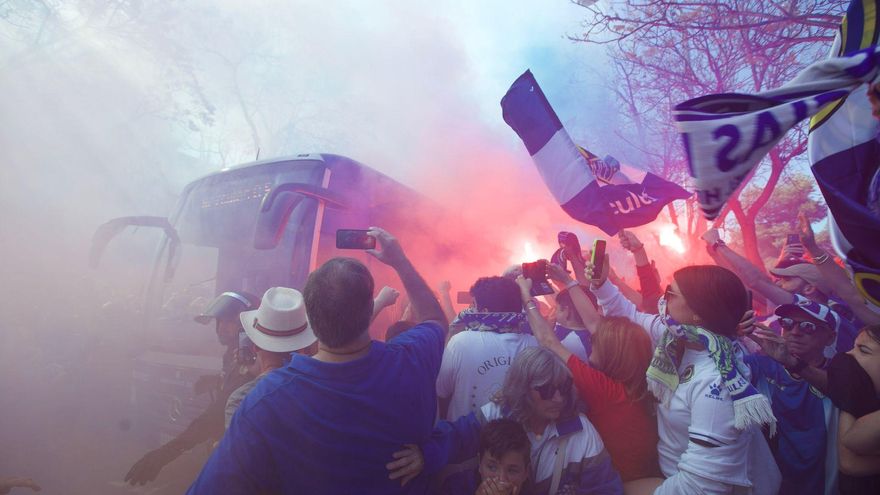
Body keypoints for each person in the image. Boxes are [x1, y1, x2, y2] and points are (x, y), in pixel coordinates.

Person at [186, 227, 448, 494]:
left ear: (308, 318)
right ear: (371, 309)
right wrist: (400, 262)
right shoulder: (411, 361)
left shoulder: (266, 401)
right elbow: (435, 319)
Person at [589, 261, 780, 494]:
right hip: (676, 478)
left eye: (671, 293)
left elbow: (703, 487)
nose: (663, 297)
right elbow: (631, 316)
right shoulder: (682, 339)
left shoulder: (716, 381)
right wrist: (601, 284)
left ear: (697, 313)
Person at [516, 267, 662, 490]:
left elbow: (548, 341)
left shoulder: (607, 392)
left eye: (597, 341)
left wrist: (526, 296)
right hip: (644, 473)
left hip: (623, 485)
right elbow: (594, 323)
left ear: (613, 354)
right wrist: (567, 280)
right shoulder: (637, 383)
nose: (591, 337)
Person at [427, 346, 624, 494]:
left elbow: (606, 489)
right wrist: (424, 455)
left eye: (563, 388)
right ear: (523, 388)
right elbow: (456, 438)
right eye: (546, 390)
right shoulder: (498, 413)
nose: (558, 398)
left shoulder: (582, 432)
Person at [124, 290, 259, 486]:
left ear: (249, 323)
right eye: (219, 321)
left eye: (229, 321)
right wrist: (217, 380)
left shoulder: (252, 357)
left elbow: (215, 415)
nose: (222, 328)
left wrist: (166, 453)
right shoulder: (232, 354)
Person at [702, 227, 859, 354]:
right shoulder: (784, 309)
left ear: (809, 288)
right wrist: (716, 255)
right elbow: (740, 285)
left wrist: (718, 244)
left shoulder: (826, 316)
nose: (778, 282)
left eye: (787, 279)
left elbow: (756, 280)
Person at [744, 300, 842, 495]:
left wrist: (791, 362)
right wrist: (730, 335)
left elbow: (844, 389)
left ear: (830, 338)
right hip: (772, 485)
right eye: (787, 323)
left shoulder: (842, 372)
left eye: (808, 326)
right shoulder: (761, 366)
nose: (795, 332)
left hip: (823, 486)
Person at [436, 276, 538, 421]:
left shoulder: (461, 342)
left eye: (473, 304)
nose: (470, 308)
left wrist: (450, 336)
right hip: (518, 441)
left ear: (483, 311)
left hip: (467, 439)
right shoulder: (535, 345)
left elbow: (441, 390)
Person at [223, 286, 318, 428]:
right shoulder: (320, 389)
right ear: (304, 345)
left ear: (255, 346)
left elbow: (237, 449)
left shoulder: (241, 400)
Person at [440, 418, 531, 495]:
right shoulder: (455, 487)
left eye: (512, 471)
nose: (502, 480)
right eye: (492, 467)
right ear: (480, 463)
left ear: (526, 472)